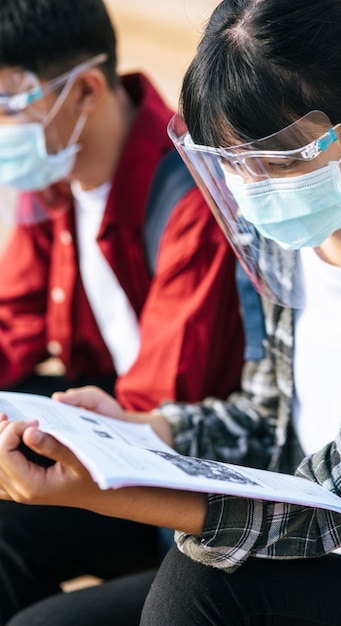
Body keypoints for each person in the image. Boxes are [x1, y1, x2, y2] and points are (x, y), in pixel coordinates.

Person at [0, 0, 341, 624]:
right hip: (290, 562)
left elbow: (334, 509)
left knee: (202, 583)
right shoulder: (293, 247)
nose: (252, 191)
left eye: (276, 161)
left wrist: (110, 494)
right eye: (230, 163)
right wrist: (136, 428)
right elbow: (263, 418)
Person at [0, 0, 246, 623]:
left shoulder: (193, 201)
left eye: (5, 105)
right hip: (111, 413)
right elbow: (13, 324)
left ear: (82, 90)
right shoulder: (56, 181)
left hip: (182, 468)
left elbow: (164, 403)